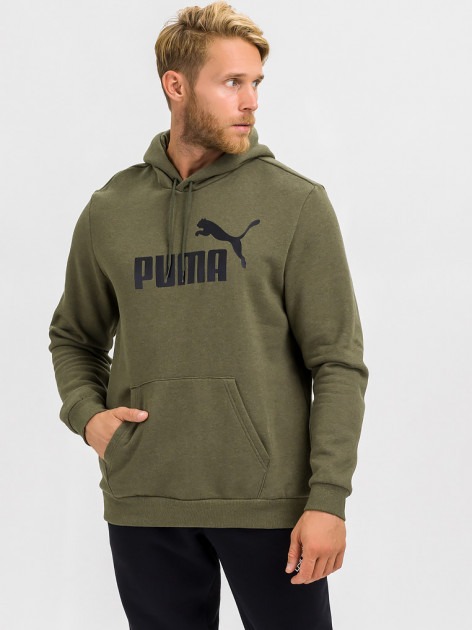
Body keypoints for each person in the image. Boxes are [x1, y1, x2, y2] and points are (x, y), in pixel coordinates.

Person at [48, 2, 369, 628]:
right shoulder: (110, 208)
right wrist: (89, 418)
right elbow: (74, 336)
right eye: (232, 83)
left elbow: (337, 362)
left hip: (269, 504)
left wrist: (328, 498)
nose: (251, 102)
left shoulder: (296, 203)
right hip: (144, 498)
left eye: (256, 83)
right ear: (177, 86)